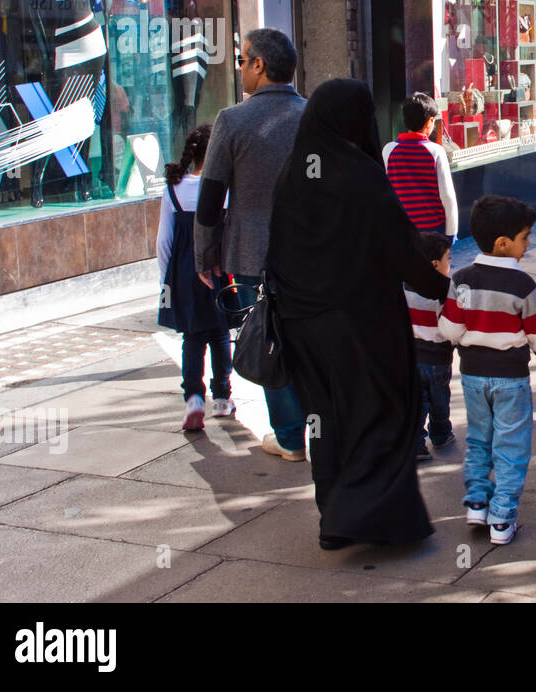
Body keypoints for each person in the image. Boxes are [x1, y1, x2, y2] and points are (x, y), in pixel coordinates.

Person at [266, 79, 451, 550]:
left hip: (302, 323)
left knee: (323, 419)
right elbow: (401, 251)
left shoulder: (295, 173)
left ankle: (334, 514)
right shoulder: (362, 176)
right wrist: (442, 287)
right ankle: (363, 514)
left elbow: (279, 252)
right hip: (360, 323)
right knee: (379, 412)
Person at [195, 27, 309, 462]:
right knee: (304, 340)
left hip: (251, 253)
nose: (241, 68)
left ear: (259, 65)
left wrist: (205, 255)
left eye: (243, 60)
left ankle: (289, 436)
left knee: (266, 342)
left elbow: (210, 199)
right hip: (308, 253)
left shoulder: (232, 120)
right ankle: (313, 429)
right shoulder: (313, 115)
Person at [438, 196, 536, 547]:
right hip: (511, 380)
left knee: (479, 440)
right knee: (511, 446)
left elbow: (449, 330)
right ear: (502, 243)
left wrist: (469, 334)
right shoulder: (523, 286)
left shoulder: (461, 279)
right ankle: (502, 518)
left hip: (473, 378)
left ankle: (477, 504)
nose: (528, 244)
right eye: (525, 237)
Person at [157, 125, 234, 432]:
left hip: (183, 272)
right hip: (219, 269)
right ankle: (222, 398)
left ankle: (193, 398)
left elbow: (164, 241)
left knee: (192, 336)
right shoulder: (226, 189)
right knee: (220, 333)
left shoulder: (173, 189)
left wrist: (167, 279)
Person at [406, 232, 455, 463]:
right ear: (435, 264)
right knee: (439, 399)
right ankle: (441, 434)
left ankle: (416, 444)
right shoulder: (446, 290)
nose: (450, 264)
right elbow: (453, 324)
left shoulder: (403, 286)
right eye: (449, 259)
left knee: (418, 402)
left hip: (411, 355)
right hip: (438, 358)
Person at [387, 92, 459, 239]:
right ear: (430, 121)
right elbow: (447, 196)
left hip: (401, 228)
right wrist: (452, 233)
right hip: (433, 231)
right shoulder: (436, 151)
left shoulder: (388, 150)